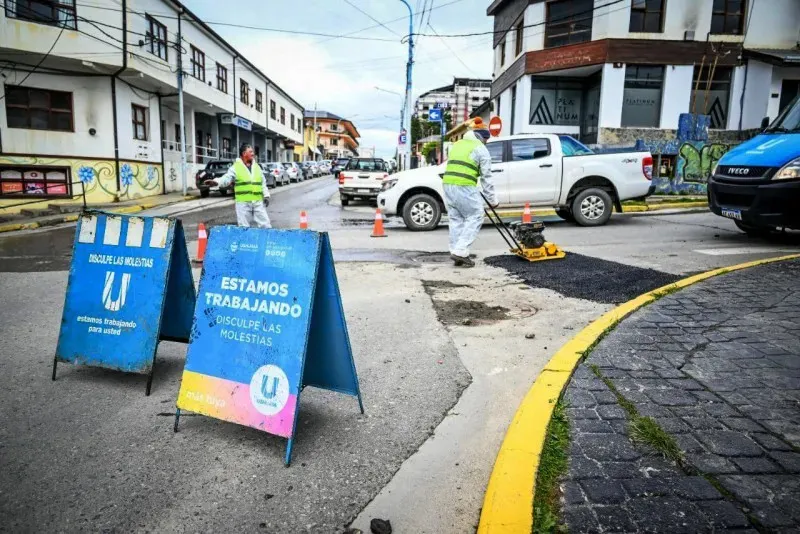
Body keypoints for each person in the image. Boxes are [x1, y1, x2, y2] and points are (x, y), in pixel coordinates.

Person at [441, 127, 496, 268]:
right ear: (481, 138)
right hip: (464, 185)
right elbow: (486, 177)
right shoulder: (480, 148)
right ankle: (460, 251)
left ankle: (456, 251)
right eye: (486, 140)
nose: (486, 143)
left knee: (456, 219)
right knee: (476, 215)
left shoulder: (458, 144)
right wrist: (492, 200)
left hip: (448, 184)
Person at [205, 143, 271, 228]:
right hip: (243, 203)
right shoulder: (235, 167)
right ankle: (245, 241)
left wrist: (266, 195)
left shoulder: (257, 167)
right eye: (250, 152)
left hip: (258, 202)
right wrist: (216, 182)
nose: (253, 154)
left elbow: (263, 182)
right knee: (244, 227)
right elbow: (226, 178)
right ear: (244, 154)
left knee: (266, 225)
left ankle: (267, 240)